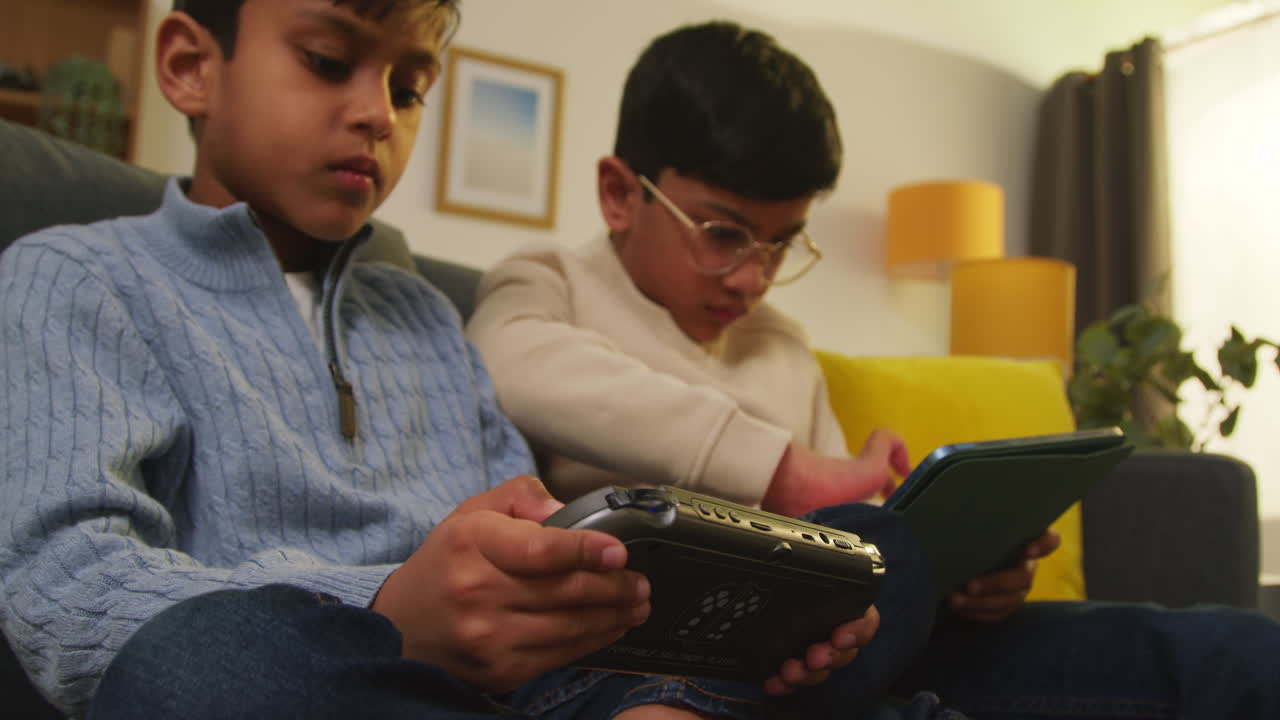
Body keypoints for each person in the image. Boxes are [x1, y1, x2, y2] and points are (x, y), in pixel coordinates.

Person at [0, 3, 898, 719]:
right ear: (191, 67)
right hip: (332, 674)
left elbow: (540, 532)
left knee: (875, 596)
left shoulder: (427, 315)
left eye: (410, 84)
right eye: (327, 60)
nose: (375, 113)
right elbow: (67, 592)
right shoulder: (76, 278)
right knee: (191, 667)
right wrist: (391, 609)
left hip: (542, 686)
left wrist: (736, 617)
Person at [466, 19, 1280, 720]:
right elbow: (511, 364)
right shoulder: (546, 283)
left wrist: (963, 574)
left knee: (1229, 653)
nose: (754, 278)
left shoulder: (780, 343)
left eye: (783, 242)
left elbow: (848, 550)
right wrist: (784, 474)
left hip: (852, 650)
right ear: (620, 194)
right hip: (663, 655)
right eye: (724, 234)